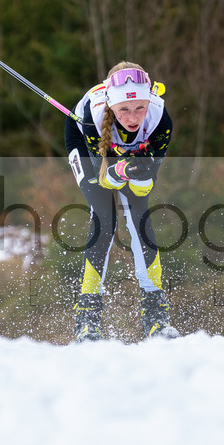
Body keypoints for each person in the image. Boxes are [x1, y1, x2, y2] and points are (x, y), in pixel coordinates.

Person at [64, 61, 180, 341]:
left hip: (123, 159)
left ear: (148, 100)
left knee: (140, 215)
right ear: (111, 105)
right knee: (105, 217)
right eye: (124, 109)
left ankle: (156, 316)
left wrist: (139, 172)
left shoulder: (160, 118)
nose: (133, 117)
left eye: (139, 107)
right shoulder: (93, 115)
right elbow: (106, 179)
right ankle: (87, 319)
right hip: (83, 142)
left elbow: (143, 188)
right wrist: (123, 168)